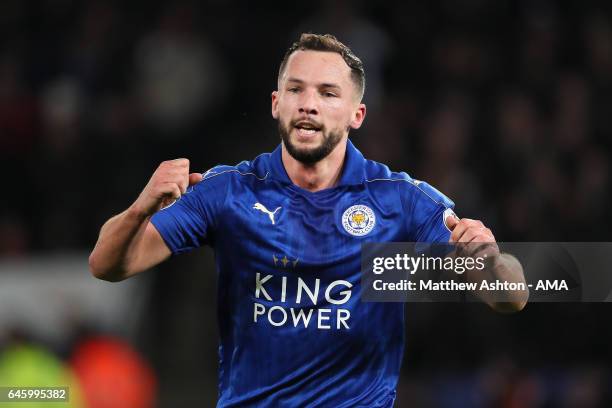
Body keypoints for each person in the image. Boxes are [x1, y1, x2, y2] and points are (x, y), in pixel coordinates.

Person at [89, 33, 527, 407]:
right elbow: (107, 266)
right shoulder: (228, 191)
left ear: (356, 115)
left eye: (328, 93)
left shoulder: (401, 200)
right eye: (296, 90)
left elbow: (510, 296)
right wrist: (140, 208)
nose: (309, 105)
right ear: (277, 105)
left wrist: (488, 258)